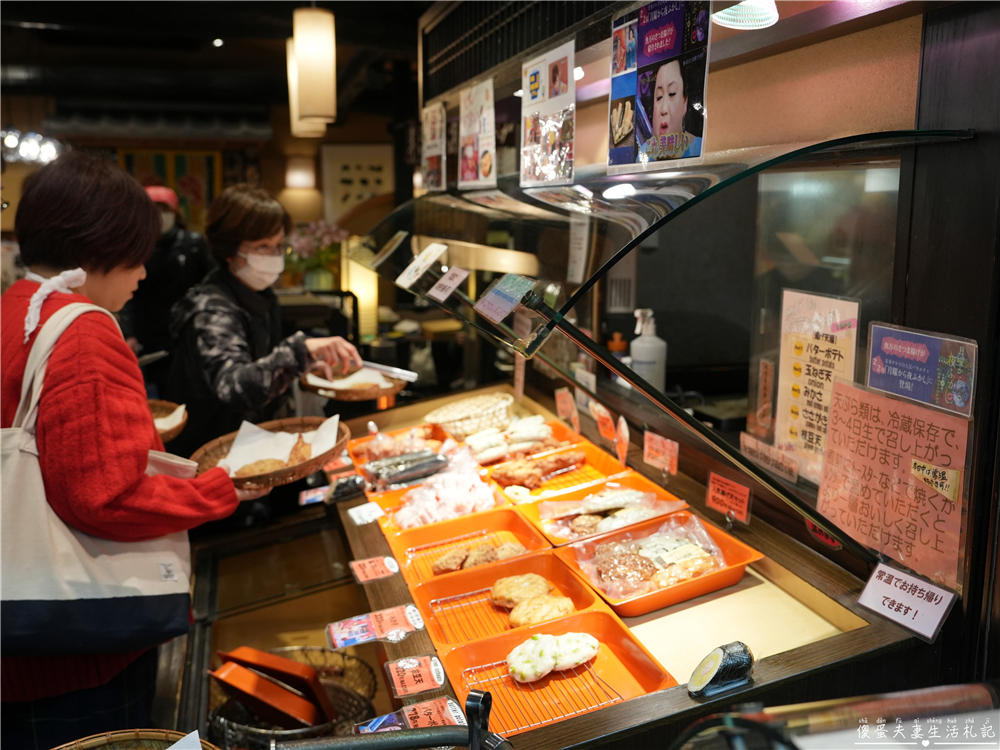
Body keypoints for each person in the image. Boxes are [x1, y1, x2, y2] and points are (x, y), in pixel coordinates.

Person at [0, 152, 250, 748]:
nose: (142, 273)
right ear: (97, 247)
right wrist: (221, 488)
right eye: (136, 254)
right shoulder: (83, 328)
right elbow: (103, 496)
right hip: (73, 646)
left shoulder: (15, 307)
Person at [164, 184, 361, 460]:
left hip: (253, 445)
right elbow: (234, 386)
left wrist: (301, 365)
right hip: (213, 458)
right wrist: (301, 350)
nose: (273, 256)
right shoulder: (210, 310)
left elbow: (261, 362)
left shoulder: (260, 295)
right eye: (262, 247)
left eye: (278, 246)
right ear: (229, 249)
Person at [118, 185, 214, 398]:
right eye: (154, 211)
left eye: (165, 210)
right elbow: (129, 295)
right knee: (161, 390)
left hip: (189, 330)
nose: (160, 216)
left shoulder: (193, 244)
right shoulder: (138, 248)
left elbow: (211, 284)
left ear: (176, 213)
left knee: (194, 386)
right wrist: (129, 333)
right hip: (151, 332)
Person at [643, 56, 703, 160]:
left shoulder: (698, 148)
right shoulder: (644, 153)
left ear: (685, 102)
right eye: (659, 97)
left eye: (672, 93)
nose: (663, 109)